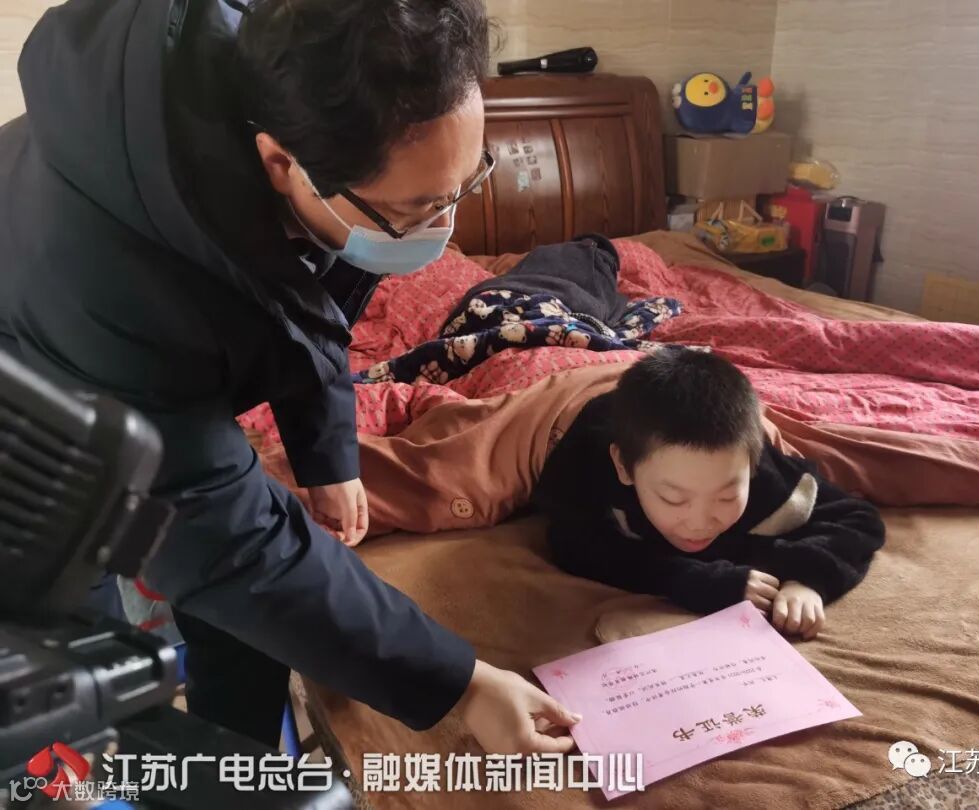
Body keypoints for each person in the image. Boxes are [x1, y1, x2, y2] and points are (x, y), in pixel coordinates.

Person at [0, 0, 580, 753]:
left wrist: (327, 456)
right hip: (30, 403)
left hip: (127, 351)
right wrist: (460, 684)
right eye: (415, 211)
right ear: (281, 164)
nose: (444, 230)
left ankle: (239, 760)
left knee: (247, 624)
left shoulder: (306, 92)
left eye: (460, 190)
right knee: (77, 671)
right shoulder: (119, 283)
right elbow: (226, 541)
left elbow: (305, 309)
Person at [533, 348, 886, 639]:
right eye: (674, 499)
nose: (700, 523)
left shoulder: (767, 476)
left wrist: (809, 579)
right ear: (625, 469)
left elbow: (858, 519)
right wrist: (691, 579)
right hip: (579, 391)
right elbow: (572, 542)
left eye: (726, 497)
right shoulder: (589, 465)